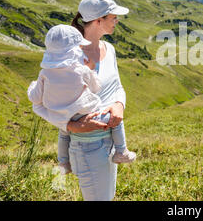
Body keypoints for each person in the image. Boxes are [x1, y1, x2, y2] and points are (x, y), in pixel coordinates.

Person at [31, 0, 134, 201]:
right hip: (87, 147)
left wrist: (119, 105)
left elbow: (117, 87)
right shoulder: (66, 56)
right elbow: (41, 103)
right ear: (98, 20)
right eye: (113, 17)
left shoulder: (110, 49)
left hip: (111, 141)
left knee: (107, 196)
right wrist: (69, 126)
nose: (117, 21)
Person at [27, 24, 136, 175]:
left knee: (63, 133)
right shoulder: (81, 69)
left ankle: (64, 163)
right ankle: (121, 151)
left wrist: (33, 86)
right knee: (115, 119)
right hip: (85, 113)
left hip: (64, 115)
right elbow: (96, 87)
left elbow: (35, 97)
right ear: (73, 50)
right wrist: (90, 68)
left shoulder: (45, 73)